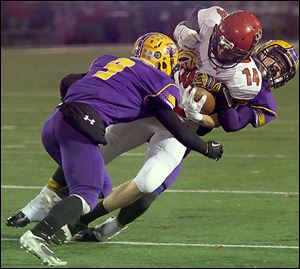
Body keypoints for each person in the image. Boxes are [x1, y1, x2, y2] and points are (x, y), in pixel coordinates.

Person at [8, 5, 264, 239]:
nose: (221, 50)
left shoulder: (246, 80)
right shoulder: (209, 22)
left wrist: (203, 116)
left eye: (231, 50)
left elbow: (231, 121)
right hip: (150, 105)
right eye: (221, 43)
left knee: (149, 184)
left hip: (184, 123)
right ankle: (39, 206)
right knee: (91, 150)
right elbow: (189, 21)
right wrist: (184, 30)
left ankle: (98, 228)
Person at [18, 32, 223, 266]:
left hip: (54, 122)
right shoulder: (160, 82)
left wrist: (71, 103)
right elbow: (179, 129)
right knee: (86, 193)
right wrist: (207, 148)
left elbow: (68, 80)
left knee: (102, 185)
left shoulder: (107, 60)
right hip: (79, 128)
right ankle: (38, 235)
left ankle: (33, 211)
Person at [68, 39, 300, 242]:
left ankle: (98, 227)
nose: (275, 69)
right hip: (157, 109)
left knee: (150, 189)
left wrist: (222, 94)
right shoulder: (227, 54)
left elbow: (231, 123)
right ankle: (53, 203)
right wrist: (187, 56)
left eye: (282, 69)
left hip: (186, 130)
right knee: (97, 148)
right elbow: (194, 27)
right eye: (275, 60)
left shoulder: (264, 102)